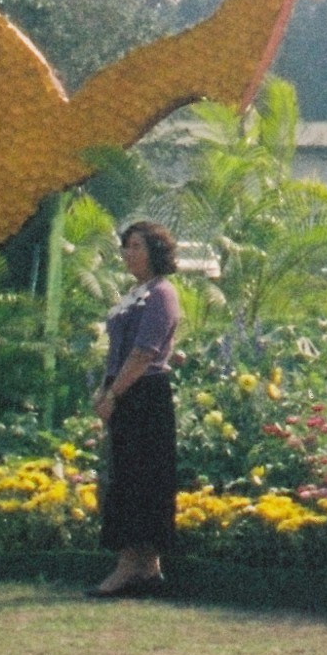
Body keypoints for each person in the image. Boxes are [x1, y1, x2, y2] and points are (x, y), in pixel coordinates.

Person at [86, 216, 183, 598]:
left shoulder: (161, 294)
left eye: (137, 247)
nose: (128, 254)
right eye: (125, 247)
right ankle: (140, 565)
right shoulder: (134, 293)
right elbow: (119, 351)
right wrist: (105, 388)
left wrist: (114, 395)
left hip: (145, 395)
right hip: (125, 390)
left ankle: (135, 566)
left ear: (155, 252)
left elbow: (144, 352)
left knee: (143, 479)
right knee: (124, 477)